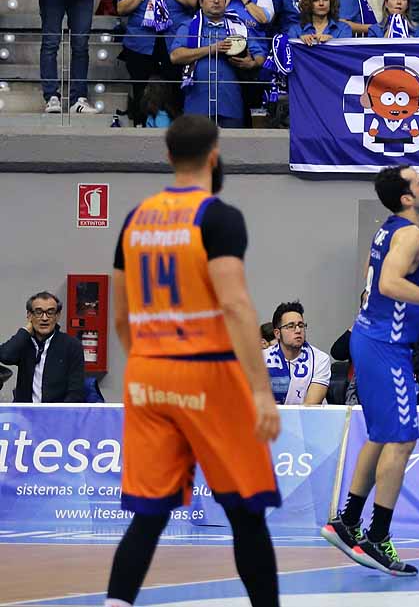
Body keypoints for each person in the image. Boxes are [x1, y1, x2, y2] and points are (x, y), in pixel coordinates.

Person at [105, 115, 281, 607]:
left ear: (167, 157)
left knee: (149, 513)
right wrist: (262, 390)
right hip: (207, 370)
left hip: (147, 371)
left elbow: (121, 314)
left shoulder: (135, 218)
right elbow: (235, 305)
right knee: (246, 509)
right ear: (214, 156)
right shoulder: (218, 216)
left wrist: (145, 363)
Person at [321, 164, 419, 575]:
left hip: (370, 339)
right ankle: (377, 536)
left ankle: (347, 521)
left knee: (382, 435)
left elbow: (395, 278)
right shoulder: (411, 233)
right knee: (402, 440)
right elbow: (388, 284)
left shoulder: (390, 229)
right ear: (407, 197)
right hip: (386, 346)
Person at [116, 0, 198, 127]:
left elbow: (192, 1)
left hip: (174, 42)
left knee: (176, 92)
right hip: (141, 42)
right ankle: (139, 126)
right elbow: (121, 8)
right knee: (140, 90)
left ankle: (177, 131)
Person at [170, 0, 267, 127]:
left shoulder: (239, 26)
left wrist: (251, 63)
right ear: (201, 2)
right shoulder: (189, 26)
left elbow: (260, 55)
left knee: (232, 149)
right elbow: (175, 56)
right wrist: (212, 49)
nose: (216, 1)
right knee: (197, 148)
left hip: (230, 104)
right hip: (198, 104)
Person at [0, 292, 86, 403]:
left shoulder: (71, 345)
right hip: (25, 414)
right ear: (29, 315)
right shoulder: (24, 342)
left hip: (57, 414)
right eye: (38, 312)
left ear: (57, 316)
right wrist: (25, 331)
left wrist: (62, 416)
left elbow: (76, 392)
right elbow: (5, 356)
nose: (44, 318)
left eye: (50, 312)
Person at [263, 300, 333, 405]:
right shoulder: (262, 359)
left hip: (308, 419)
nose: (298, 330)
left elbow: (310, 406)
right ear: (277, 333)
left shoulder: (320, 359)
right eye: (290, 326)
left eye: (301, 325)